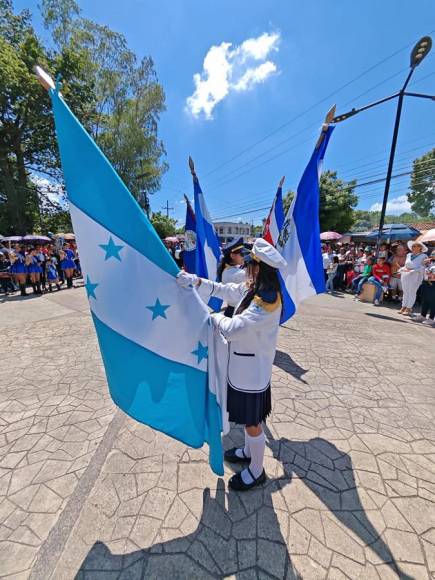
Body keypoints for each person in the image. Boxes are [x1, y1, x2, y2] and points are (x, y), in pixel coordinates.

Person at [177, 238, 287, 491]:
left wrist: (210, 316)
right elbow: (225, 290)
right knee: (248, 420)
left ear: (258, 268)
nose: (246, 269)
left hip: (251, 374)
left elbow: (235, 328)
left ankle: (257, 470)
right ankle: (249, 451)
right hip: (242, 370)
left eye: (250, 265)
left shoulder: (266, 302)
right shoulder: (255, 289)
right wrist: (196, 281)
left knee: (252, 422)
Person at [216, 238, 247, 317]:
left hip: (231, 309)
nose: (244, 256)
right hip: (237, 313)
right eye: (242, 254)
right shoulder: (238, 273)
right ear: (232, 255)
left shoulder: (227, 270)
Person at [399, 240, 428, 316]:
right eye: (413, 246)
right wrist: (402, 269)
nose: (413, 247)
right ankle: (403, 306)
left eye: (416, 246)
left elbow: (423, 267)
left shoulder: (424, 256)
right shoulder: (409, 255)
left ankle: (409, 308)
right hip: (405, 274)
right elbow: (406, 265)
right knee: (405, 291)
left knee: (412, 291)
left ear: (420, 247)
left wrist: (413, 270)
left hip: (416, 276)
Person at [412, 250, 435, 327]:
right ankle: (423, 315)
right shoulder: (429, 262)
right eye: (432, 254)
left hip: (433, 284)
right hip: (426, 282)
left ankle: (431, 318)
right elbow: (423, 269)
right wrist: (424, 263)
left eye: (434, 254)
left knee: (433, 302)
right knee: (425, 300)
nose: (432, 255)